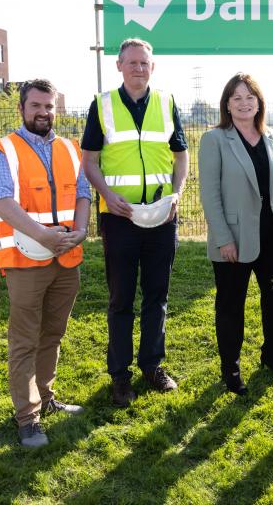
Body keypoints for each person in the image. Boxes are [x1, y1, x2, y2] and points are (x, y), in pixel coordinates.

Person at [0, 79, 90, 447]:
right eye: (36, 106)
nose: (44, 112)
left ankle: (46, 397)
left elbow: (85, 194)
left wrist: (82, 229)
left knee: (53, 334)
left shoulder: (71, 149)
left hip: (66, 257)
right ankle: (27, 418)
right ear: (22, 109)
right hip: (24, 261)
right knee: (25, 340)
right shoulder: (3, 150)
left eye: (49, 106)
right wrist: (43, 235)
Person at [81, 38, 189, 407]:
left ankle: (152, 366)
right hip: (120, 218)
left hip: (161, 216)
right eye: (132, 63)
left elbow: (181, 157)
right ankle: (120, 375)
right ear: (119, 66)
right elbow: (90, 161)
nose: (139, 68)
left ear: (152, 67)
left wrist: (176, 194)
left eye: (144, 63)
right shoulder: (102, 105)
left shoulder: (167, 102)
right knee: (121, 299)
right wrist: (107, 196)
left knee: (157, 297)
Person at [198, 73, 273, 395]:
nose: (244, 103)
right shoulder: (214, 140)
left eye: (250, 97)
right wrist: (223, 238)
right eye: (237, 98)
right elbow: (210, 194)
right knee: (230, 306)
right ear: (227, 104)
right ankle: (231, 369)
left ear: (259, 102)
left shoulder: (272, 138)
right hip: (234, 239)